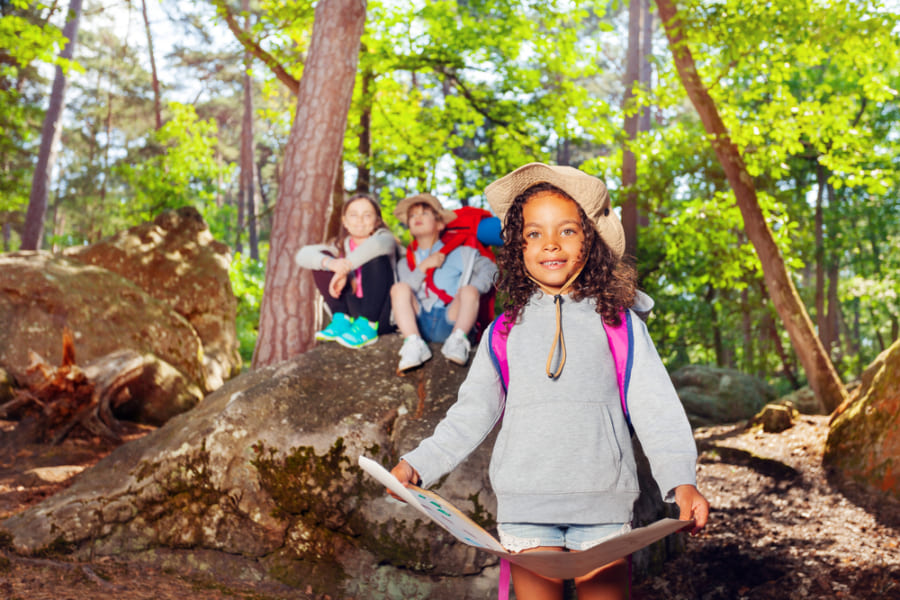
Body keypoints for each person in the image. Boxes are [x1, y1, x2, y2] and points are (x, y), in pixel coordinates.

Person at [388, 164, 709, 600]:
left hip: (604, 508)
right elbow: (472, 412)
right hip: (526, 508)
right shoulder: (504, 329)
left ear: (590, 240)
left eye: (567, 231)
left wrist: (681, 480)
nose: (550, 244)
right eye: (533, 234)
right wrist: (418, 464)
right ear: (517, 247)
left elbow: (656, 406)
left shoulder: (620, 323)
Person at [391, 193, 498, 370]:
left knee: (469, 291)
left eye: (425, 213)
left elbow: (490, 270)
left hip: (451, 318)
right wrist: (423, 266)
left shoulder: (460, 253)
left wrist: (475, 289)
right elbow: (403, 294)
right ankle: (413, 344)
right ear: (409, 227)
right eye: (412, 215)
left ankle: (458, 340)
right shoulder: (404, 262)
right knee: (399, 288)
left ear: (440, 224)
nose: (417, 217)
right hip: (419, 321)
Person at [295, 192, 397, 349]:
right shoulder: (340, 247)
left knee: (376, 258)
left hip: (379, 316)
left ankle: (367, 326)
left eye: (367, 215)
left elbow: (378, 245)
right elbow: (303, 255)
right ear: (345, 221)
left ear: (376, 221)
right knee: (323, 260)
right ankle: (341, 319)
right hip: (354, 312)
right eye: (353, 215)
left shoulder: (385, 238)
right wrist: (332, 264)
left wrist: (344, 269)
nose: (360, 221)